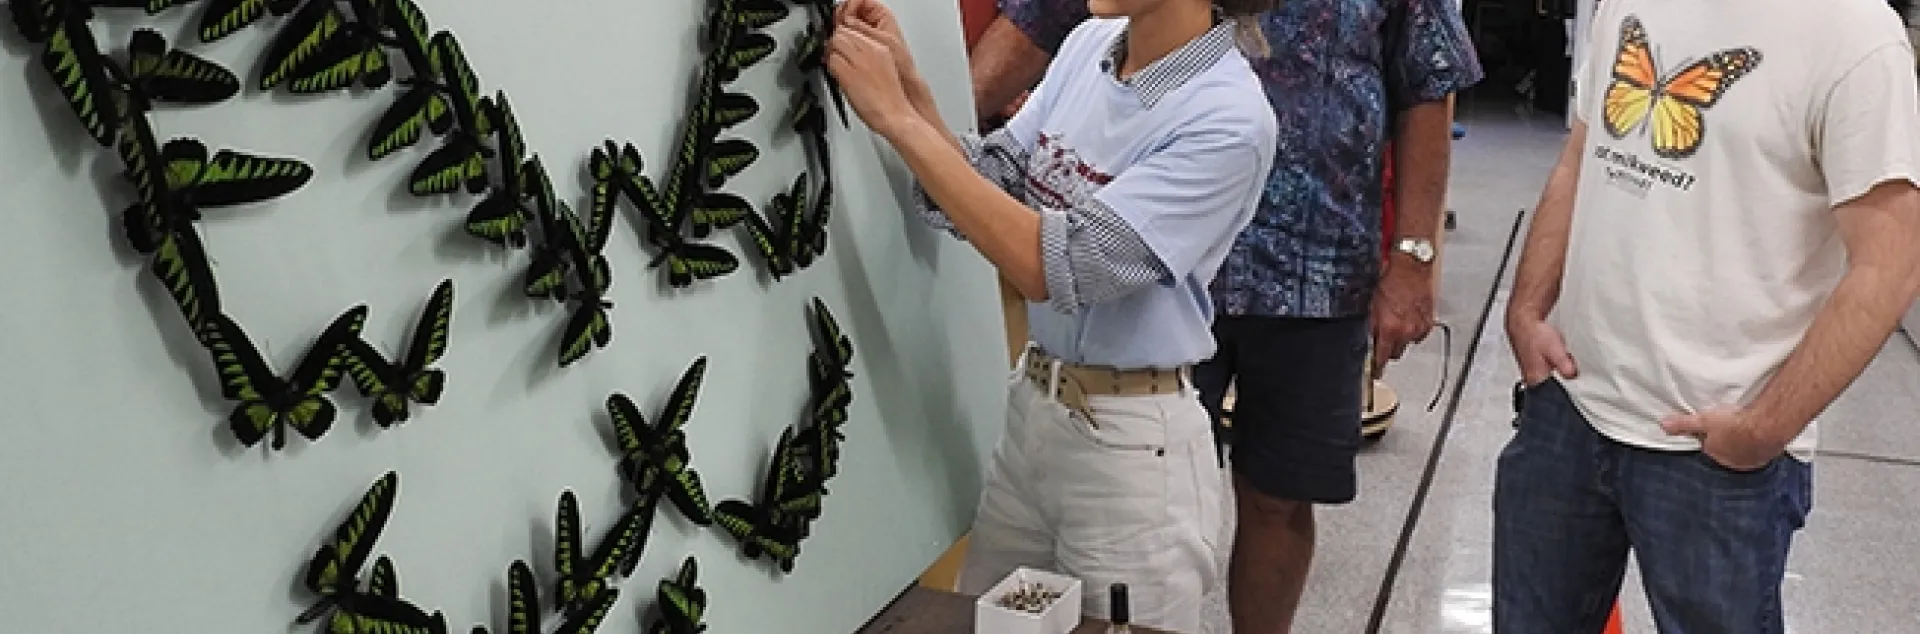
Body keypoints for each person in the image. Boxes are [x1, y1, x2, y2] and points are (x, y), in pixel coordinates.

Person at [967, 1, 1481, 630]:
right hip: (1148, 259)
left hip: (1313, 262)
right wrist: (940, 117)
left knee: (1279, 496)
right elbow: (1039, 19)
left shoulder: (1236, 115)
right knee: (1138, 466)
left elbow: (1427, 78)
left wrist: (1414, 257)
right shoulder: (1103, 42)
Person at [823, 0, 1280, 629]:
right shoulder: (1089, 46)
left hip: (1131, 451)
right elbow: (996, 181)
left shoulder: (1229, 119)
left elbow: (1059, 265)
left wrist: (898, 119)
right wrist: (912, 87)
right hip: (1034, 415)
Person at [1496, 0, 1920, 631]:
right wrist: (1526, 311)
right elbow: (1580, 156)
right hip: (1570, 406)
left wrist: (1763, 428)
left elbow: (1890, 264)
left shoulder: (1855, 35)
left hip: (1714, 447)